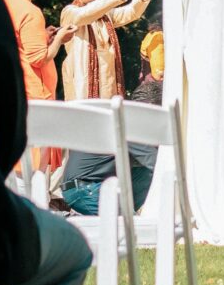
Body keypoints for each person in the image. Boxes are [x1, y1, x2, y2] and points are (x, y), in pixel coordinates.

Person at [0, 0, 93, 285]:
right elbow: (9, 128)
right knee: (74, 251)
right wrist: (59, 39)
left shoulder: (9, 4)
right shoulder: (17, 9)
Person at [3, 0, 76, 172]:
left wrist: (43, 37)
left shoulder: (4, 2)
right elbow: (38, 58)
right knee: (34, 172)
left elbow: (16, 46)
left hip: (15, 93)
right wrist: (60, 40)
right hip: (35, 97)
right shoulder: (30, 11)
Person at [62, 81, 161, 216]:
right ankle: (125, 218)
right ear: (151, 108)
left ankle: (126, 214)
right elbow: (156, 163)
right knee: (130, 228)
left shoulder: (122, 117)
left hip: (91, 186)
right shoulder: (128, 124)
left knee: (146, 173)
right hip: (85, 189)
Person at [61, 0, 158, 100]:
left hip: (108, 86)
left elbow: (130, 13)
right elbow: (86, 14)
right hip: (81, 87)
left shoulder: (105, 15)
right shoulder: (70, 13)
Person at [138, 16, 164, 84]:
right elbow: (159, 72)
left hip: (153, 80)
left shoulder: (151, 35)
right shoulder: (158, 36)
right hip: (157, 82)